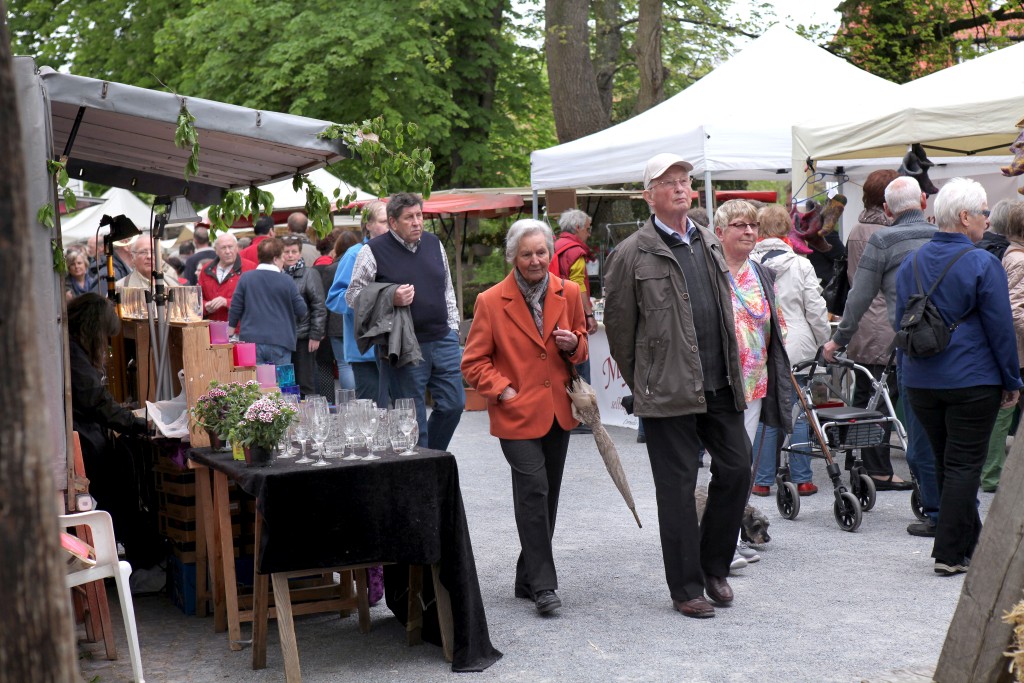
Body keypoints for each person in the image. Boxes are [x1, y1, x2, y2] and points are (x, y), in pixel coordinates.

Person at [604, 153, 752, 619]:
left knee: (738, 469)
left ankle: (713, 566)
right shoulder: (632, 253)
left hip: (719, 382)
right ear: (649, 195)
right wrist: (646, 381)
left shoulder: (707, 240)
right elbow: (619, 331)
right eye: (668, 182)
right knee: (678, 489)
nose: (680, 187)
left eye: (684, 180)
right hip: (666, 392)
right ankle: (686, 588)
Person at [894, 177, 1021, 575]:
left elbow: (901, 323)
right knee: (964, 465)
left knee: (946, 462)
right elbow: (1000, 329)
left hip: (921, 379)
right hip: (972, 378)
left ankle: (972, 545)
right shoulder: (983, 262)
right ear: (965, 217)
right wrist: (1011, 380)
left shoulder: (911, 262)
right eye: (984, 212)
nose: (988, 220)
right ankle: (949, 554)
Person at [462, 219, 589, 615]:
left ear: (550, 253)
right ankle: (544, 587)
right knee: (534, 490)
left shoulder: (569, 292)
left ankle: (526, 576)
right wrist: (503, 390)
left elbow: (582, 346)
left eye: (541, 252)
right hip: (515, 414)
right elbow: (473, 362)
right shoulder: (490, 301)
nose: (535, 260)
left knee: (547, 496)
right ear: (512, 257)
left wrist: (574, 344)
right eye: (527, 254)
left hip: (558, 412)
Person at [822, 176, 940, 538]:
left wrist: (838, 340)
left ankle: (936, 511)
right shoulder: (945, 237)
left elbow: (858, 295)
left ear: (888, 208)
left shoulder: (881, 239)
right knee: (943, 431)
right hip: (947, 346)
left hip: (905, 344)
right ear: (923, 201)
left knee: (914, 431)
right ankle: (954, 509)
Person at [346, 193, 464, 450]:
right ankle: (422, 467)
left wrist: (453, 328)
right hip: (403, 345)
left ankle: (431, 456)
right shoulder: (372, 251)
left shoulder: (434, 243)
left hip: (443, 339)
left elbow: (447, 288)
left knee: (454, 405)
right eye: (409, 217)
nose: (417, 222)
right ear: (393, 222)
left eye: (419, 215)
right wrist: (390, 296)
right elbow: (353, 296)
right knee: (412, 420)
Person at [67, 294, 162, 575]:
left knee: (122, 479)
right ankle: (143, 561)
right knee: (122, 485)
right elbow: (96, 401)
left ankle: (142, 557)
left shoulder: (72, 350)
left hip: (87, 436)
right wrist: (136, 424)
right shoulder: (73, 353)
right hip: (85, 443)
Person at [750, 203, 830, 497]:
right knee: (800, 410)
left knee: (765, 412)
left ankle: (761, 480)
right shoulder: (801, 265)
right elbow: (816, 311)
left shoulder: (747, 264)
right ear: (787, 228)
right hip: (798, 345)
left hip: (761, 344)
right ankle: (803, 479)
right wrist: (823, 341)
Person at [841, 169, 913, 491]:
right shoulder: (887, 233)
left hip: (862, 323)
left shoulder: (858, 227)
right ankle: (879, 470)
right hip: (883, 322)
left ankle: (855, 458)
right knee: (882, 401)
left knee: (863, 396)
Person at [327, 200, 390, 401]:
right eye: (384, 222)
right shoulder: (354, 254)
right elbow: (335, 299)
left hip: (396, 348)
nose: (389, 226)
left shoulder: (399, 252)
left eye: (392, 221)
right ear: (368, 224)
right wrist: (370, 302)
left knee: (399, 410)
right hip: (366, 351)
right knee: (373, 410)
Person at [984, 200, 1024, 491]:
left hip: (1012, 350)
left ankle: (992, 474)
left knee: (1004, 413)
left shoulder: (1010, 255)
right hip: (1019, 351)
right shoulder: (1019, 260)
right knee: (1005, 413)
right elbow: (1015, 311)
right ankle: (993, 475)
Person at [228, 237, 308, 366]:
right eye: (282, 257)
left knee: (253, 379)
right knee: (279, 379)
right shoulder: (287, 280)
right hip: (281, 340)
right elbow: (301, 310)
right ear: (275, 259)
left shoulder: (246, 278)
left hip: (251, 340)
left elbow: (235, 307)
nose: (284, 260)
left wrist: (230, 331)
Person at [551, 209, 598, 384]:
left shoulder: (554, 246)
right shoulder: (575, 251)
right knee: (580, 369)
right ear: (577, 227)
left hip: (555, 312)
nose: (589, 233)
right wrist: (589, 315)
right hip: (572, 315)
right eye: (587, 228)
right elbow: (579, 286)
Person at [316, 229, 361, 393]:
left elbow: (326, 299)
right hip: (357, 320)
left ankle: (349, 399)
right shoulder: (361, 264)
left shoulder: (331, 269)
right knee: (360, 363)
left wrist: (322, 328)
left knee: (343, 364)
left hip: (336, 324)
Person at [282, 235, 326, 397]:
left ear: (300, 253)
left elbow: (319, 306)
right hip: (283, 336)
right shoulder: (278, 274)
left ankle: (308, 409)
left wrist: (316, 335)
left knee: (305, 381)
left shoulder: (310, 274)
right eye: (286, 252)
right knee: (285, 381)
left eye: (294, 251)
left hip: (303, 336)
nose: (290, 255)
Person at [198, 232, 256, 323]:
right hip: (212, 326)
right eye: (223, 248)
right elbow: (197, 299)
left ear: (237, 248)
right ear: (216, 250)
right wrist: (205, 306)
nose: (228, 251)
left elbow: (255, 299)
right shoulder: (206, 269)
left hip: (240, 327)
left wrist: (227, 302)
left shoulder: (250, 268)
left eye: (230, 247)